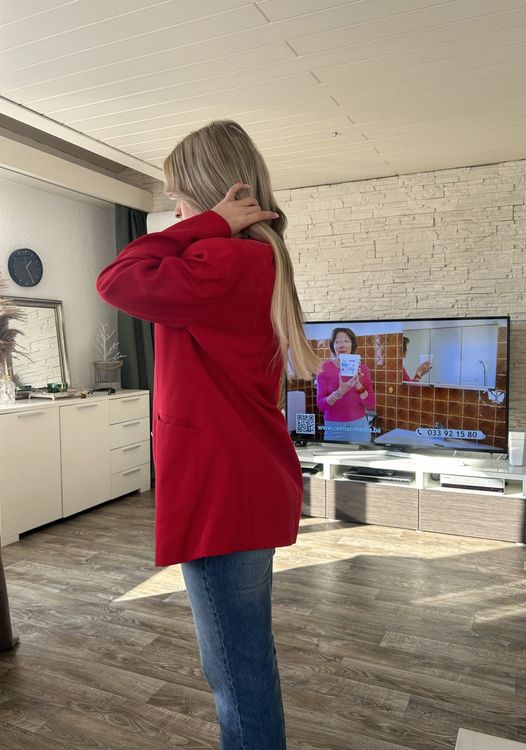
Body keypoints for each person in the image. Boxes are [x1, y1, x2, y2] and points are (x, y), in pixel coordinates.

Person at [96, 120, 319, 750]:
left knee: (235, 671)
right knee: (245, 657)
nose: (175, 212)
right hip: (242, 480)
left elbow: (115, 279)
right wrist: (212, 224)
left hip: (223, 489)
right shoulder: (254, 260)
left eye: (178, 198)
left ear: (215, 193)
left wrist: (210, 223)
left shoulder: (222, 258)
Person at [316, 327, 375, 443]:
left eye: (346, 341)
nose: (342, 345)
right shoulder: (324, 368)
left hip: (359, 428)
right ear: (333, 346)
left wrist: (358, 384)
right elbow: (321, 405)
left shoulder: (363, 369)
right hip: (334, 430)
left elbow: (370, 404)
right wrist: (339, 393)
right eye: (337, 342)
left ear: (352, 345)